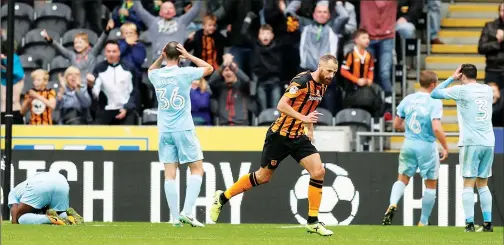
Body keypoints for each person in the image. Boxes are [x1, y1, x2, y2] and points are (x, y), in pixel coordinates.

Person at [210, 54, 339, 236]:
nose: (331, 75)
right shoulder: (302, 81)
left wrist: (309, 129)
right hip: (279, 135)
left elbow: (310, 106)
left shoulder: (323, 85)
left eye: (334, 72)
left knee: (318, 171)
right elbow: (281, 105)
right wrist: (303, 119)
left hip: (297, 136)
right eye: (329, 71)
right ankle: (222, 198)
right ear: (320, 66)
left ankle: (312, 221)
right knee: (263, 177)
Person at [148, 42, 213, 227]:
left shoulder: (157, 75)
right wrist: (189, 56)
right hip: (183, 128)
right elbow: (209, 68)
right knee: (197, 169)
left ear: (164, 54)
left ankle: (175, 219)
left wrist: (160, 58)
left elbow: (150, 70)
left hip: (164, 131)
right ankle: (187, 212)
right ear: (180, 55)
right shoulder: (185, 73)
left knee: (169, 174)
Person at [431, 64, 495, 232]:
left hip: (471, 141)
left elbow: (434, 93)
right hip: (488, 141)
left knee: (468, 184)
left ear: (463, 76)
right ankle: (488, 224)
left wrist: (452, 77)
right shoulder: (487, 89)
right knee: (483, 184)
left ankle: (470, 224)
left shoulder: (461, 90)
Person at [382, 70, 448, 226]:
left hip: (409, 144)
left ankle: (392, 203)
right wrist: (445, 146)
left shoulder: (408, 99)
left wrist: (412, 131)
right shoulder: (435, 101)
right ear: (433, 84)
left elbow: (397, 124)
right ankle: (423, 221)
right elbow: (437, 128)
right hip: (427, 146)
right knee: (430, 184)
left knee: (402, 179)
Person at [9, 171, 83, 225]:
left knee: (20, 217)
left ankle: (51, 219)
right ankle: (70, 218)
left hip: (39, 185)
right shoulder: (28, 183)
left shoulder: (13, 193)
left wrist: (15, 223)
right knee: (58, 212)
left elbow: (14, 209)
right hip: (61, 181)